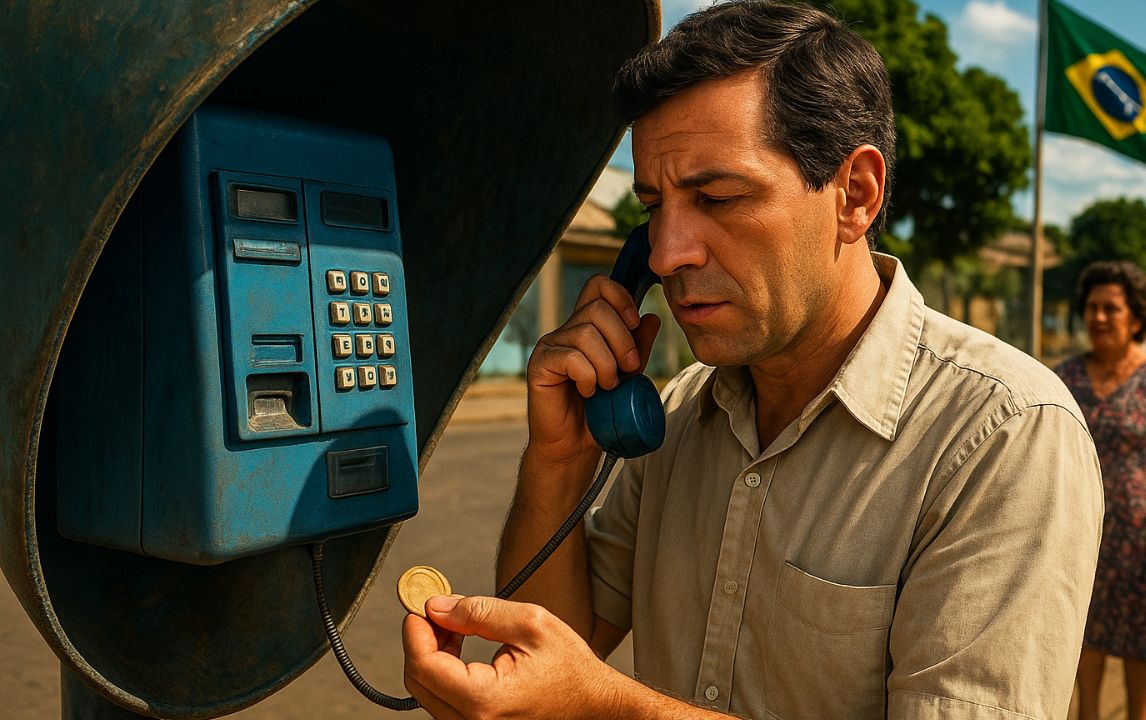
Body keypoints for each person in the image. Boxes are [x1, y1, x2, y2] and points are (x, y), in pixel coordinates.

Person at [402, 2, 1103, 718]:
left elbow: (578, 695)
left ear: (855, 195)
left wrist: (600, 708)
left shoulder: (1004, 435)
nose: (669, 253)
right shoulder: (676, 415)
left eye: (718, 197)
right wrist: (557, 462)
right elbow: (552, 654)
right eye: (655, 207)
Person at [1055, 261, 1146, 720]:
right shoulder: (1065, 378)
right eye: (1092, 308)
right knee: (1084, 632)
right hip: (1080, 539)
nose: (1097, 318)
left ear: (1136, 318)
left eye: (1111, 309)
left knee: (1142, 638)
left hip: (1144, 543)